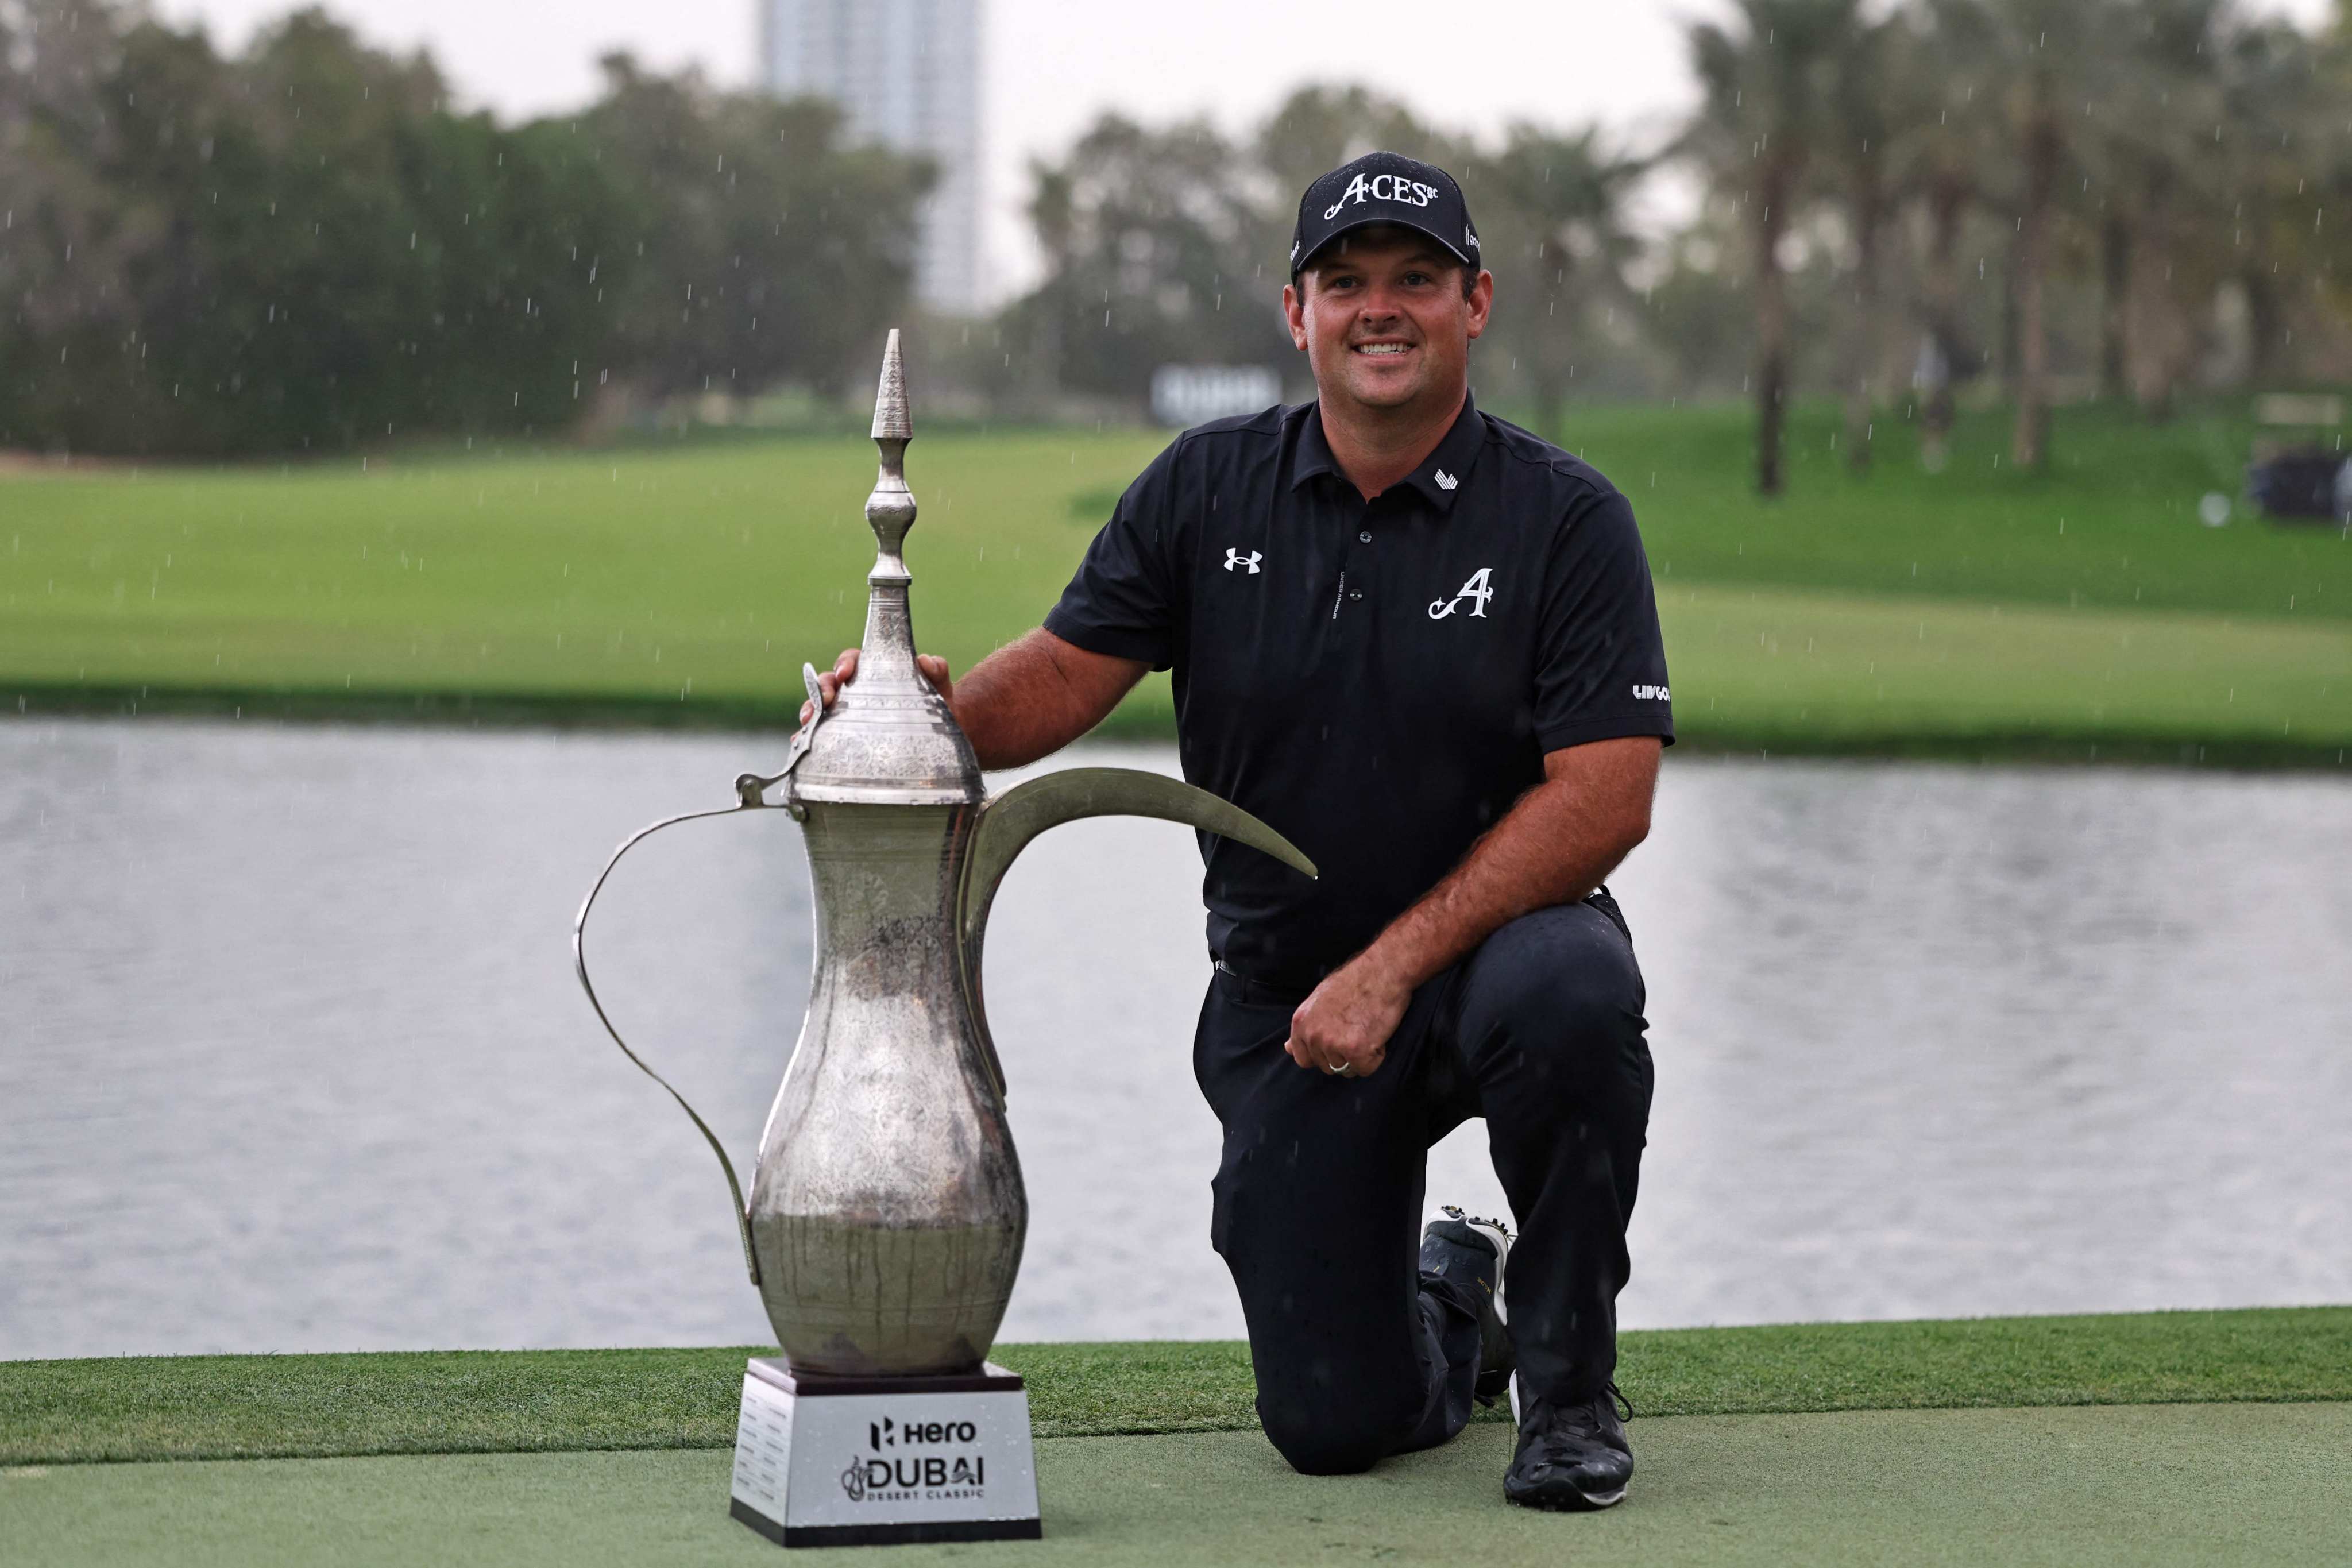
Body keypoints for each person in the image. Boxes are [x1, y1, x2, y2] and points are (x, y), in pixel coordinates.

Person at [809, 152, 1671, 1511]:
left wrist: (1395, 968)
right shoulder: (1208, 491)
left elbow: (1605, 796)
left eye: (1414, 282)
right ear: (1296, 314)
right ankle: (1458, 1306)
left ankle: (1567, 1402)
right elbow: (1063, 673)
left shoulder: (1564, 519)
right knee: (1333, 1425)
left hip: (1494, 959)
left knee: (1570, 992)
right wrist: (920, 717)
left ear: (1475, 303)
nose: (1377, 310)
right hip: (1289, 1000)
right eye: (1346, 284)